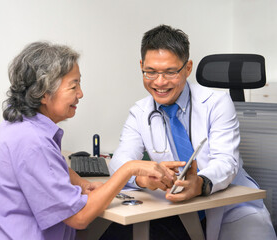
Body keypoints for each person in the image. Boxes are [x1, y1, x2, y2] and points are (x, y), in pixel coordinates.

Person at [0, 41, 186, 240]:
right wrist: (130, 169)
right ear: (43, 93)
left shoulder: (20, 125)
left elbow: (50, 170)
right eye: (73, 87)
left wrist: (81, 184)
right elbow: (79, 217)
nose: (80, 94)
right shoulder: (32, 143)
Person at [108, 25, 276, 240]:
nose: (159, 82)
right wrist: (142, 179)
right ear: (141, 66)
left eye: (170, 72)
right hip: (179, 209)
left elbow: (226, 162)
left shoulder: (217, 103)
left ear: (187, 68)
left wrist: (201, 183)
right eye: (150, 72)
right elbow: (119, 162)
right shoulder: (140, 112)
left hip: (232, 205)